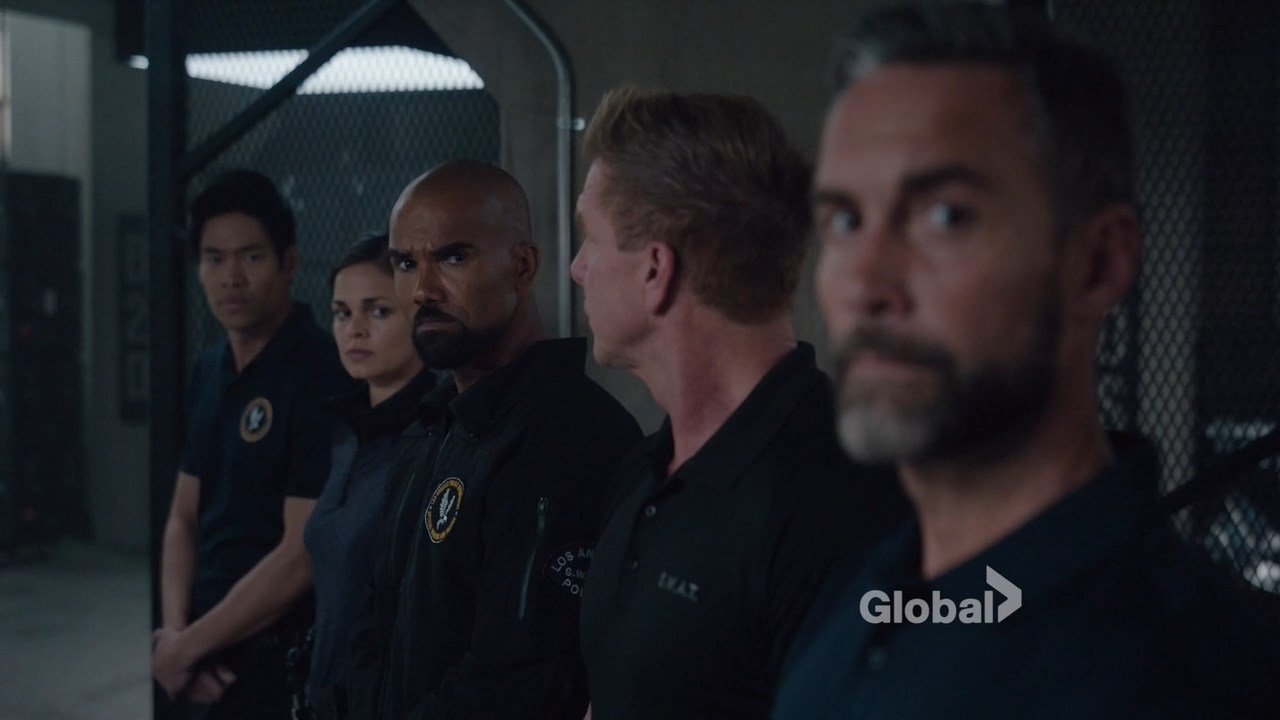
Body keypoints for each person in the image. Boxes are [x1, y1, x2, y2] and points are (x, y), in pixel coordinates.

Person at [773, 4, 1280, 718]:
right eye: (846, 220)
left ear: (1097, 264)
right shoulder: (863, 596)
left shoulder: (1193, 677)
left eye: (946, 215)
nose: (863, 283)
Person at [571, 87, 908, 719]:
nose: (577, 268)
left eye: (590, 238)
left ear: (655, 270)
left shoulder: (843, 499)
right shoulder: (645, 472)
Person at [347, 159, 641, 720]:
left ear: (522, 266)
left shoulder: (570, 436)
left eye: (453, 258)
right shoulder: (432, 426)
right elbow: (373, 623)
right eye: (405, 264)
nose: (423, 289)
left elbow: (519, 679)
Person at [154, 169, 355, 718]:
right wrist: (176, 636)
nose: (231, 278)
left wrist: (184, 651)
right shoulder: (210, 368)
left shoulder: (321, 371)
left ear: (289, 262)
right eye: (214, 259)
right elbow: (182, 519)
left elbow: (299, 556)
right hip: (198, 651)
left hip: (277, 658)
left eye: (251, 256)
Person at [301, 234, 436, 719]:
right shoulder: (346, 436)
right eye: (341, 313)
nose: (354, 330)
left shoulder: (436, 438)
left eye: (378, 311)